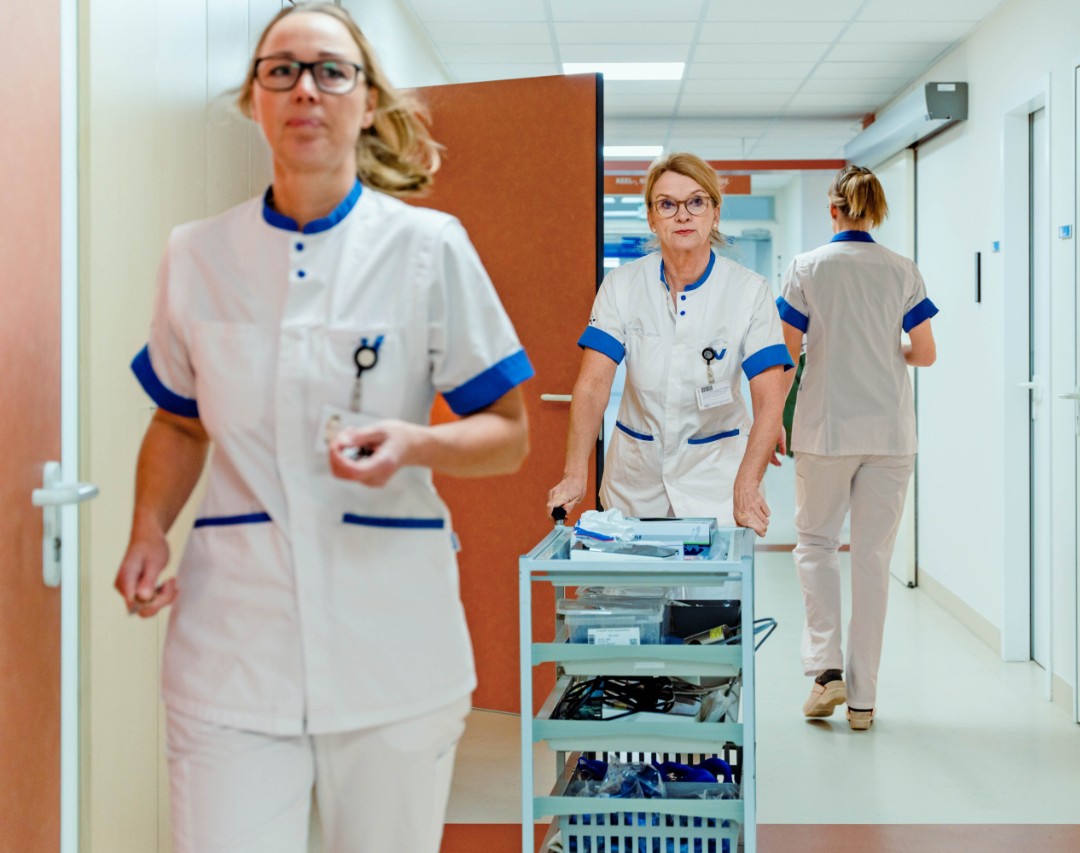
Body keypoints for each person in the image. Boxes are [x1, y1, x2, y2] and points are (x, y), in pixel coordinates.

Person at [114, 4, 533, 851]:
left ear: (368, 99)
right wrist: (147, 526)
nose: (305, 87)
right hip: (234, 646)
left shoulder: (427, 247)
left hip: (393, 643)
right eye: (281, 69)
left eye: (331, 70)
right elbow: (178, 420)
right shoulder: (197, 254)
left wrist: (415, 442)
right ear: (253, 100)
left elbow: (509, 430)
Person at [547, 152, 791, 535]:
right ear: (651, 216)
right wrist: (575, 474)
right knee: (629, 593)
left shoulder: (750, 292)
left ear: (715, 212)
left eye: (696, 202)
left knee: (711, 594)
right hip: (635, 483)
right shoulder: (622, 285)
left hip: (717, 483)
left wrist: (746, 483)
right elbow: (594, 385)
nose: (682, 215)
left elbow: (770, 399)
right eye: (667, 204)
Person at [778, 164, 938, 731]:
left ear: (833, 210)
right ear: (876, 210)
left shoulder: (807, 268)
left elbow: (785, 353)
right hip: (891, 434)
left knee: (816, 544)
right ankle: (864, 702)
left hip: (825, 429)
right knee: (872, 560)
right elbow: (925, 353)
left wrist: (774, 416)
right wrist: (884, 347)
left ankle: (826, 673)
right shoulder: (902, 271)